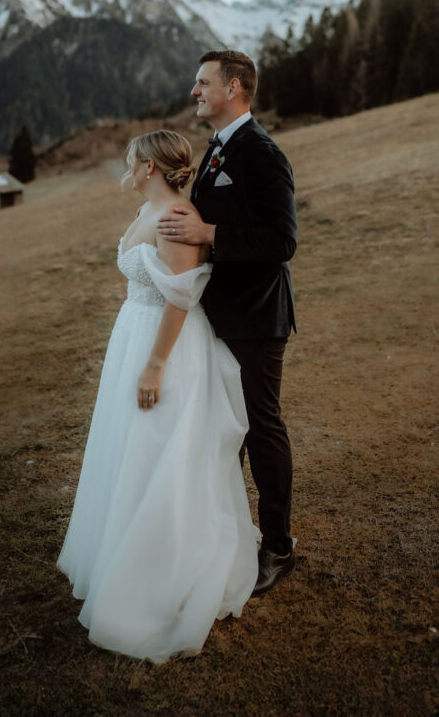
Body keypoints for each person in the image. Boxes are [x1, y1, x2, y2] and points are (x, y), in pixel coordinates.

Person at [57, 130, 258, 663]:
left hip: (166, 347)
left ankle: (162, 574)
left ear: (149, 165)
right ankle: (121, 548)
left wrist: (155, 365)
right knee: (130, 449)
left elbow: (180, 299)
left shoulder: (175, 218)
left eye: (132, 160)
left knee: (161, 449)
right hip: (133, 335)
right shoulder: (148, 210)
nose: (127, 167)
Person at [157, 50, 297, 597]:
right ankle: (226, 538)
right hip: (217, 315)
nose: (194, 91)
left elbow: (282, 241)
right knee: (222, 429)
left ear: (233, 88)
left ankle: (278, 547)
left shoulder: (262, 153)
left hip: (257, 317)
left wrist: (209, 234)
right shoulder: (218, 148)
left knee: (260, 428)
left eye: (203, 82)